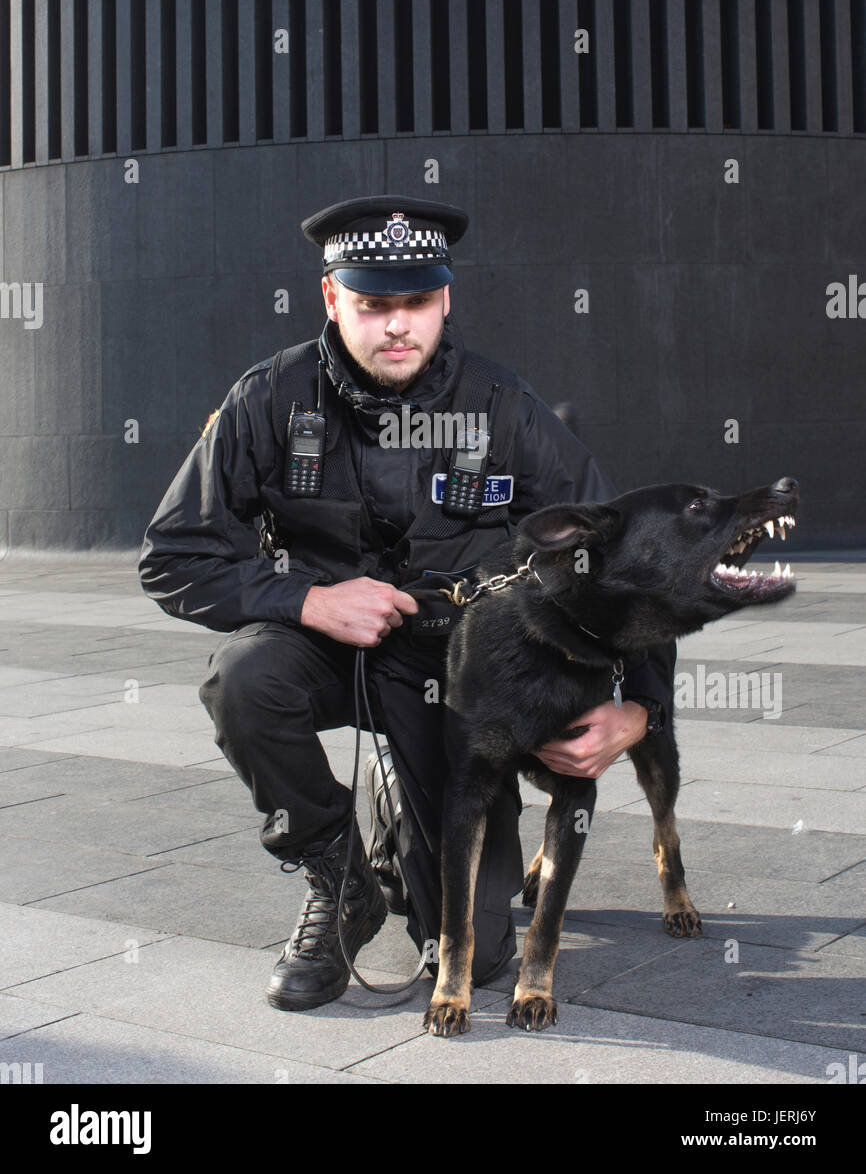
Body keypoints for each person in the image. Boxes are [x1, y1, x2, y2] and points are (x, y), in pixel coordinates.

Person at [138, 195, 675, 1012]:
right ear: (330, 299)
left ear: (446, 298)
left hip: (454, 676)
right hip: (324, 652)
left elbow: (625, 563)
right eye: (372, 304)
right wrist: (308, 598)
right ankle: (338, 880)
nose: (398, 325)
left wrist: (637, 711)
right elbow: (173, 556)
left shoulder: (503, 407)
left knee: (479, 958)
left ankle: (401, 803)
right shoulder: (270, 399)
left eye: (417, 302)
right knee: (244, 680)